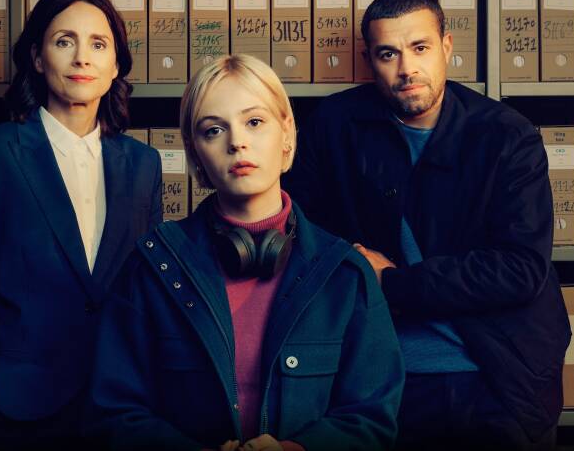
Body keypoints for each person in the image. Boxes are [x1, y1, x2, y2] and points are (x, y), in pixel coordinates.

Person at [285, 0, 571, 450]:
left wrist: (392, 282)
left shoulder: (505, 135)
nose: (406, 69)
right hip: (381, 380)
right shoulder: (334, 124)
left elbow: (520, 269)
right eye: (388, 54)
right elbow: (296, 230)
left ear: (446, 47)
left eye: (420, 48)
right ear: (369, 59)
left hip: (495, 378)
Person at [88, 54, 404, 451]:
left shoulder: (345, 274)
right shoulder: (151, 267)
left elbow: (373, 418)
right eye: (213, 130)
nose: (237, 141)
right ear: (196, 154)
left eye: (255, 122)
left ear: (287, 134)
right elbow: (114, 412)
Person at [0, 0, 163, 450]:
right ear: (38, 59)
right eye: (65, 41)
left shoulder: (144, 164)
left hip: (124, 404)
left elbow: (150, 285)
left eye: (98, 44)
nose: (82, 58)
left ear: (115, 64)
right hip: (21, 409)